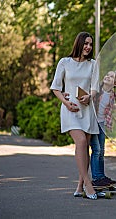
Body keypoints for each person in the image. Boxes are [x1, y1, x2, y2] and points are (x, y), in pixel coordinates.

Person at [50, 32, 99, 200]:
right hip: (70, 109)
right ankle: (88, 183)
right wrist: (65, 102)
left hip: (87, 110)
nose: (88, 47)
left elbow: (95, 87)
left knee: (85, 148)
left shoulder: (93, 64)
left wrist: (90, 96)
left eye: (90, 44)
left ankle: (79, 186)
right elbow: (56, 87)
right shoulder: (64, 62)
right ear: (79, 43)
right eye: (86, 43)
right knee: (81, 142)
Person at [90, 71, 116, 187]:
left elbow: (114, 108)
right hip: (92, 124)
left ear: (115, 84)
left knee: (102, 151)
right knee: (97, 150)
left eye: (112, 77)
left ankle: (101, 176)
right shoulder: (96, 91)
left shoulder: (112, 95)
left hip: (101, 124)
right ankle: (96, 178)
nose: (108, 77)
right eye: (107, 75)